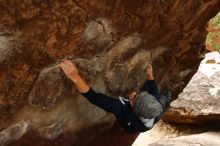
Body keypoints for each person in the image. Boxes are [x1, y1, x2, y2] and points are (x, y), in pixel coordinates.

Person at [60, 60, 171, 133]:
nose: (133, 93)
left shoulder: (121, 110)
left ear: (133, 108)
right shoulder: (155, 103)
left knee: (128, 128)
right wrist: (150, 73)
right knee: (162, 100)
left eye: (133, 98)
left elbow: (94, 97)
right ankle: (168, 96)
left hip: (131, 125)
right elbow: (153, 89)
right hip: (147, 121)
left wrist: (75, 77)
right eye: (138, 93)